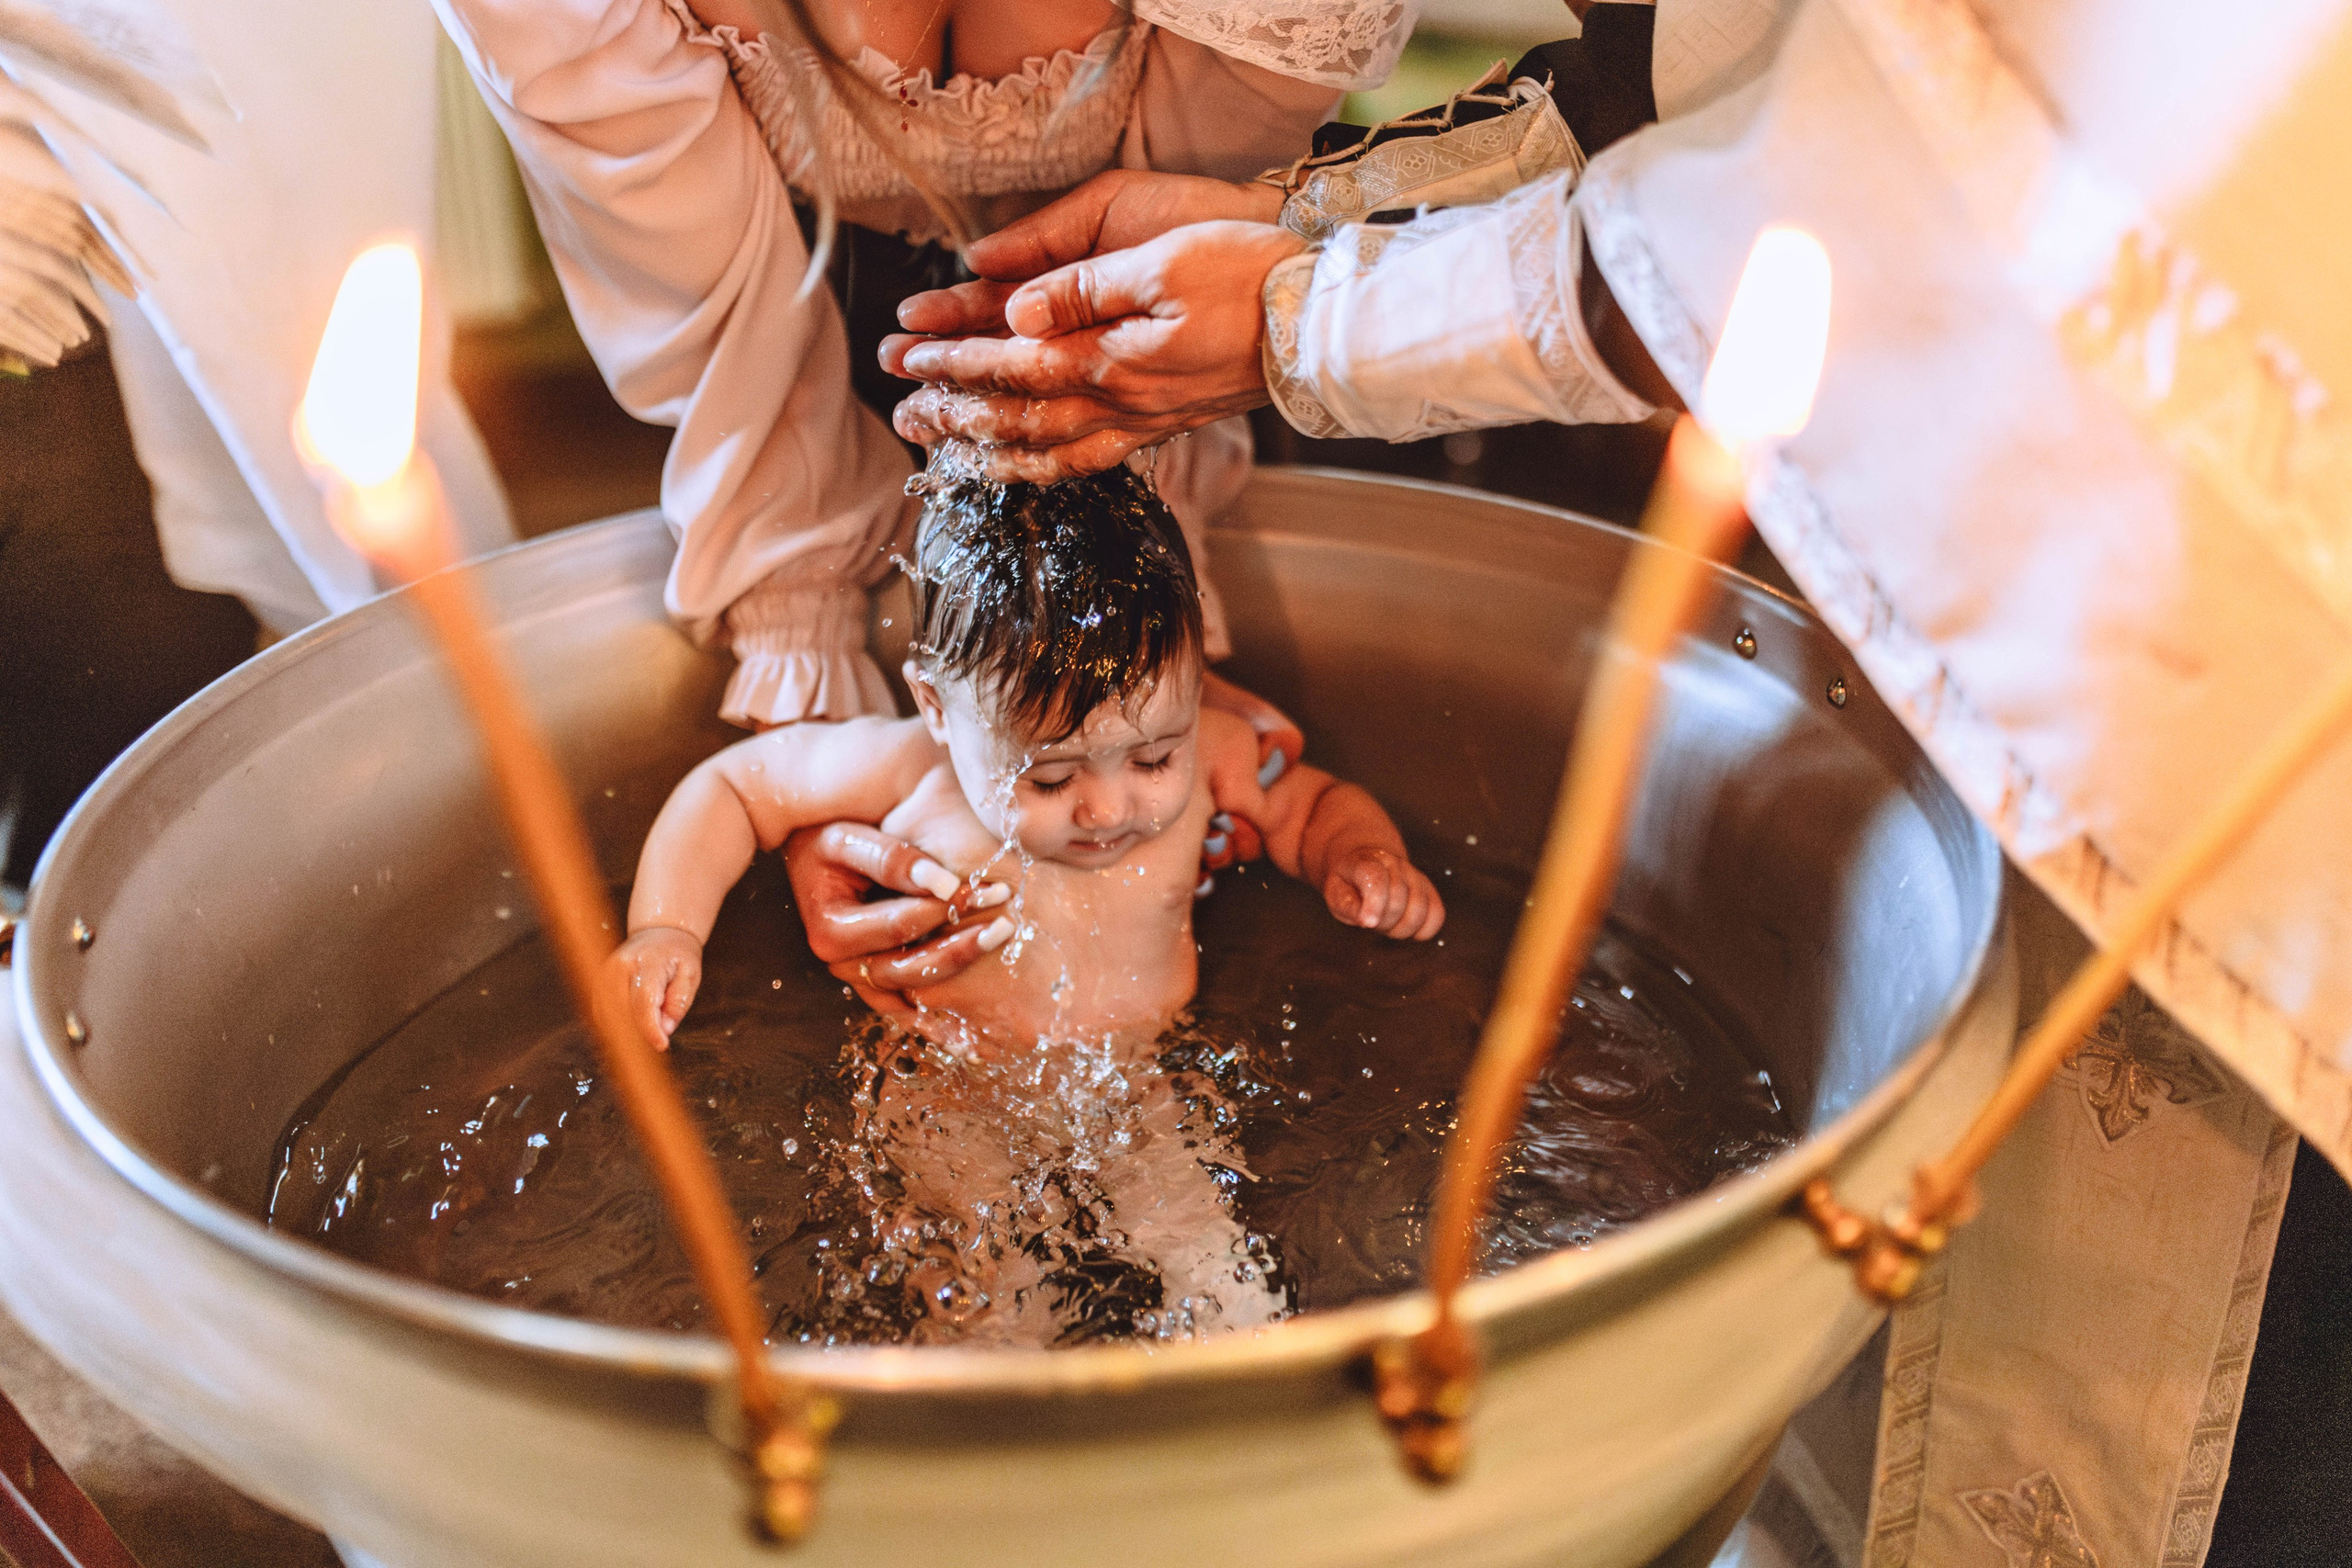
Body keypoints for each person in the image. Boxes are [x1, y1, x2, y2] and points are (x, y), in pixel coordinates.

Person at [871, 3, 2352, 1563]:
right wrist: (1304, 225)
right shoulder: (942, 778)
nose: (1116, 798)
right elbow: (1740, 56)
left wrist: (1317, 312)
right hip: (1963, 538)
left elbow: (1925, 188)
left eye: (1149, 753)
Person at [430, 0, 1410, 739]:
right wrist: (801, 675)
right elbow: (703, 295)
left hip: (1165, 376)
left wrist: (1138, 657)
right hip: (762, 359)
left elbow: (1186, 258)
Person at [606, 459, 1443, 1055]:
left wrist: (1363, 857)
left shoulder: (1218, 747)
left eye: (1154, 760)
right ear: (935, 707)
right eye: (1048, 775)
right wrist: (665, 927)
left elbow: (1311, 808)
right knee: (976, 1290)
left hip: (1142, 1071)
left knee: (1208, 1261)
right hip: (949, 1076)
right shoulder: (908, 770)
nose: (1110, 809)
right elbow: (731, 788)